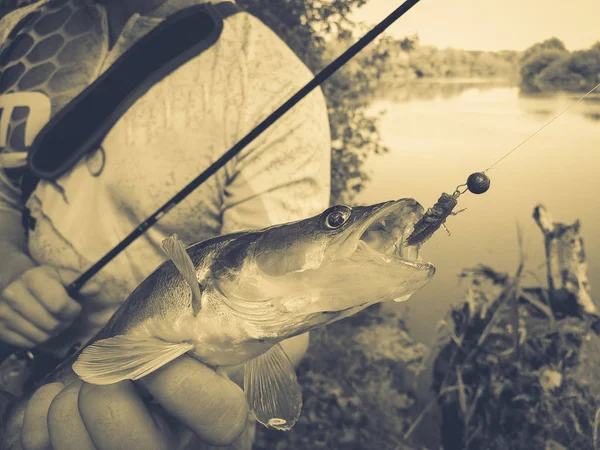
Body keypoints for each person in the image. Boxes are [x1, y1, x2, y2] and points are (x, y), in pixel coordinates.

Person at [0, 0, 331, 448]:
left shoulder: (273, 82)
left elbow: (282, 291)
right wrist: (9, 264)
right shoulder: (17, 32)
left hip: (109, 390)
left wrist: (208, 395)